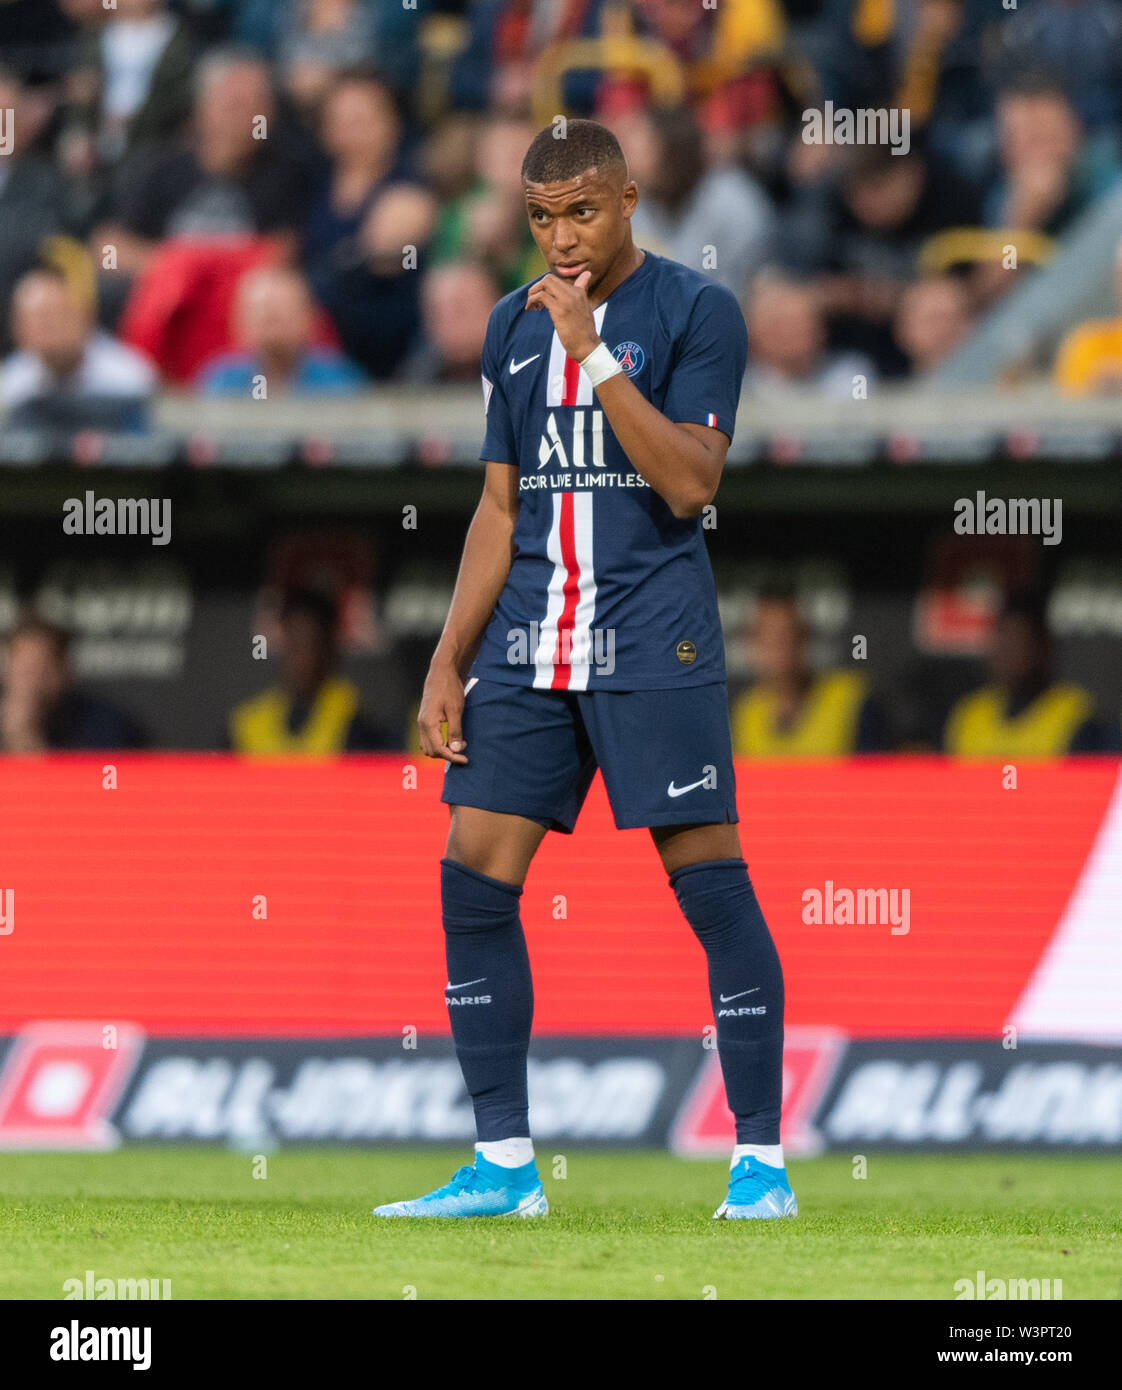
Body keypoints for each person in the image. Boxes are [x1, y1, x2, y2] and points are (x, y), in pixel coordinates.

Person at [375, 119, 794, 1223]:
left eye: (583, 212)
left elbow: (691, 484)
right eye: (542, 216)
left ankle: (760, 1165)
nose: (561, 237)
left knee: (710, 885)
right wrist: (446, 656)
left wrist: (595, 351)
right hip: (529, 639)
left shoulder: (699, 312)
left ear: (630, 203)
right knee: (471, 877)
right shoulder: (510, 333)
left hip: (656, 638)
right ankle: (506, 1167)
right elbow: (500, 506)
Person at [943, 591, 1120, 757]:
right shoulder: (970, 713)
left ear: (1041, 647)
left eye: (1015, 641)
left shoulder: (1074, 712)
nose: (1005, 653)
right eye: (1000, 641)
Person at [227, 588, 395, 754]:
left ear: (327, 651)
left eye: (309, 644)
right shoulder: (249, 721)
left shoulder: (352, 716)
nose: (298, 658)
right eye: (292, 645)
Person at [0, 267, 157, 430]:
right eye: (42, 319)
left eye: (61, 315)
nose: (54, 328)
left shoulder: (130, 377)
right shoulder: (11, 385)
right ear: (18, 330)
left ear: (85, 316)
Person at [731, 592, 888, 755]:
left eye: (787, 634)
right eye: (766, 636)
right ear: (751, 644)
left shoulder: (851, 698)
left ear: (805, 638)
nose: (777, 646)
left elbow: (877, 774)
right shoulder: (746, 713)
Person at [197, 264, 365, 395]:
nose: (269, 319)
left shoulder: (338, 379)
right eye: (259, 310)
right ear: (240, 320)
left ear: (308, 318)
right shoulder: (223, 380)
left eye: (280, 311)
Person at [0, 615, 146, 751]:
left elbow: (99, 776)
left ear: (65, 671)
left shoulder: (102, 724)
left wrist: (25, 737)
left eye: (41, 670)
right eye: (24, 670)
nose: (31, 684)